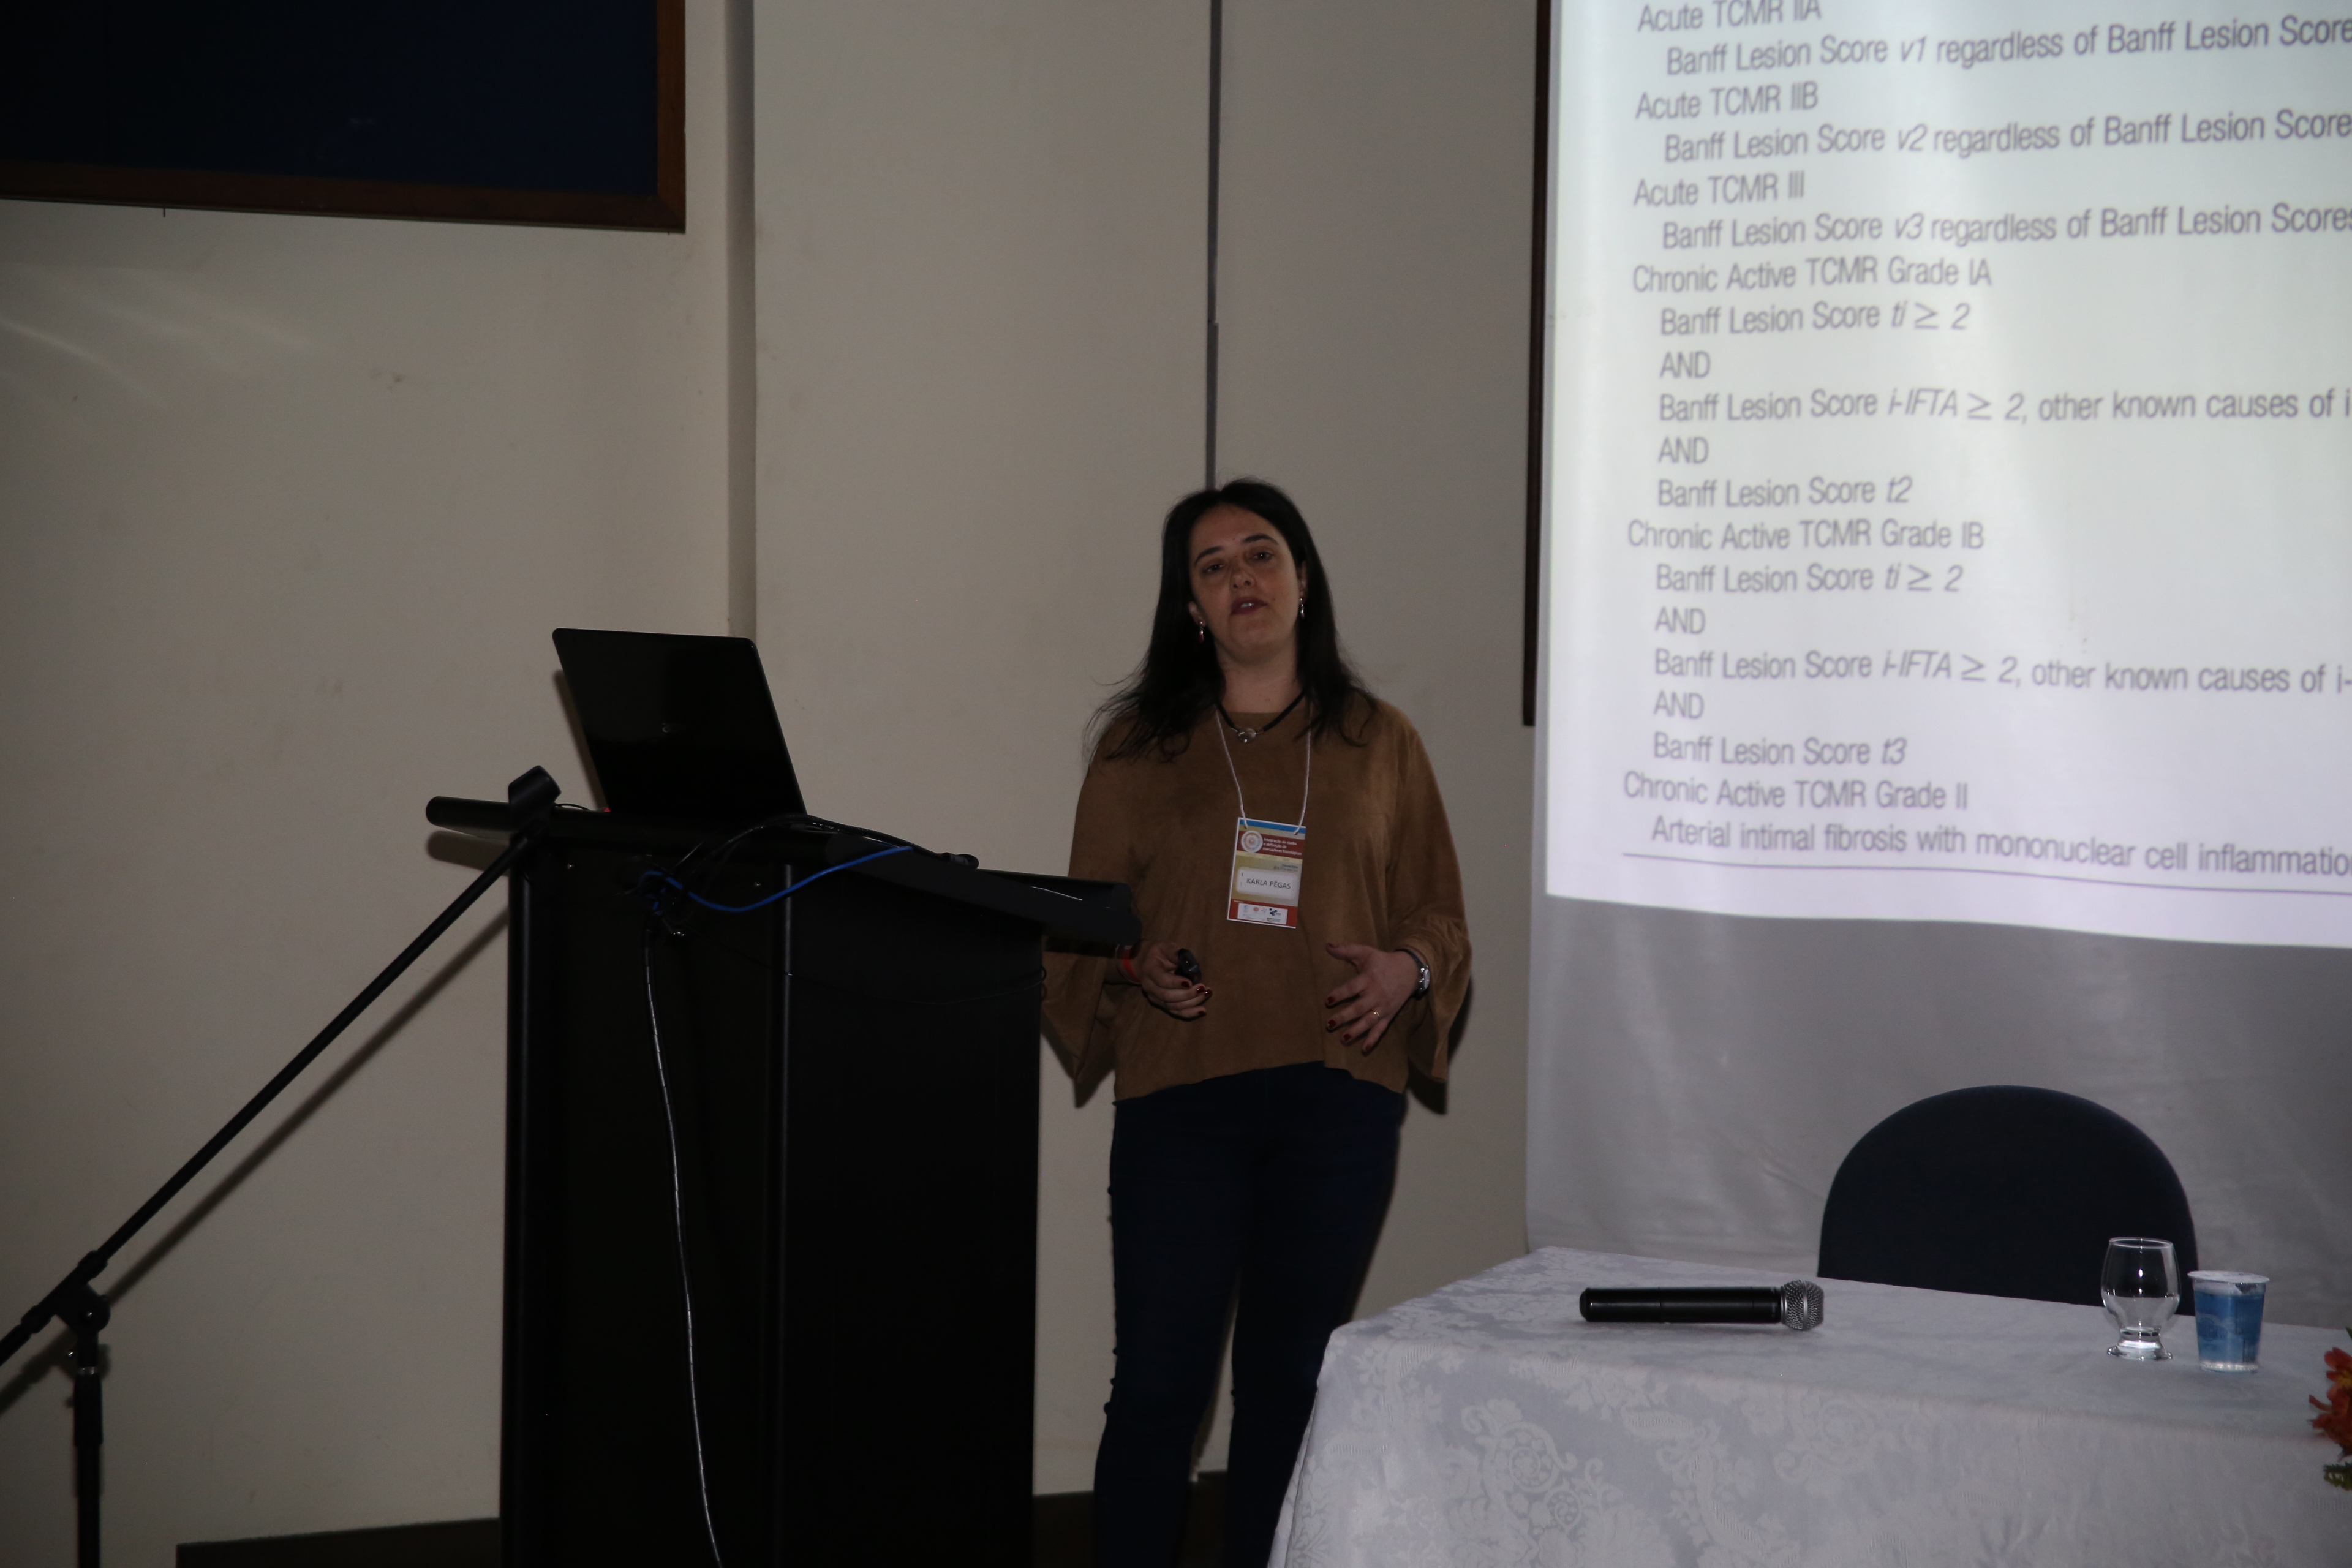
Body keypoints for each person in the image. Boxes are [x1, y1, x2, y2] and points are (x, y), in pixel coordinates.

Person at [1043, 480, 1469, 1568]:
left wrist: (1408, 970)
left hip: (1339, 1104)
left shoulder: (1381, 741)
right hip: (1183, 1105)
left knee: (1288, 1384)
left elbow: (1438, 917)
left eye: (1261, 553)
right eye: (1214, 565)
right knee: (1158, 1390)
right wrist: (1137, 965)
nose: (1242, 577)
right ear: (1191, 608)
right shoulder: (1139, 748)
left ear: (1304, 580)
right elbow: (1082, 928)